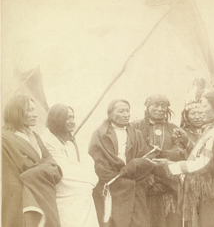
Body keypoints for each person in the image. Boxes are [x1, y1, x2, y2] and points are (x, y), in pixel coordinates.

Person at [156, 90, 214, 227]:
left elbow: (204, 163)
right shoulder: (213, 129)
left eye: (204, 106)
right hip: (209, 193)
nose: (201, 111)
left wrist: (169, 165)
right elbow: (205, 154)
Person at [89, 99, 155, 227]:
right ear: (110, 115)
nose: (126, 114)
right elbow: (98, 164)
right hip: (111, 188)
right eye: (121, 111)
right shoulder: (99, 135)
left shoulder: (136, 134)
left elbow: (147, 159)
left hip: (135, 188)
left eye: (127, 111)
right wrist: (121, 178)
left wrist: (136, 164)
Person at [2, 94, 62, 227]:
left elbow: (53, 167)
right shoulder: (4, 140)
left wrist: (32, 173)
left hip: (45, 197)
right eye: (30, 110)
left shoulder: (35, 136)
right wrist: (43, 170)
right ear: (15, 112)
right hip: (21, 203)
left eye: (35, 110)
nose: (35, 115)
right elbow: (11, 179)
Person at [132, 94, 186, 227]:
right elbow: (132, 152)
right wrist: (146, 173)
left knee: (172, 220)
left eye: (164, 105)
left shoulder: (173, 128)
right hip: (145, 182)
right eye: (156, 105)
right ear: (148, 107)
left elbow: (180, 151)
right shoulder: (135, 126)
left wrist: (163, 155)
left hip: (169, 182)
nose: (160, 109)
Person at [42, 104, 99, 227]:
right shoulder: (46, 141)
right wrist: (88, 179)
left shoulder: (71, 139)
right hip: (64, 195)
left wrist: (89, 179)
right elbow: (62, 169)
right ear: (57, 119)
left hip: (83, 196)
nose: (73, 122)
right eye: (68, 118)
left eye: (73, 117)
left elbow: (88, 162)